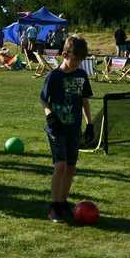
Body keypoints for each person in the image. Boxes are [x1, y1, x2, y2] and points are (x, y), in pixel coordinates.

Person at [41, 35, 93, 223]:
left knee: (71, 167)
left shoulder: (81, 75)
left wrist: (90, 124)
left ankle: (63, 202)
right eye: (75, 59)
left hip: (74, 128)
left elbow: (85, 100)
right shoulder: (54, 76)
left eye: (81, 60)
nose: (78, 63)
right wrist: (49, 115)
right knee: (60, 165)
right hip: (56, 128)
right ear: (64, 54)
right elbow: (43, 99)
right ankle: (54, 206)